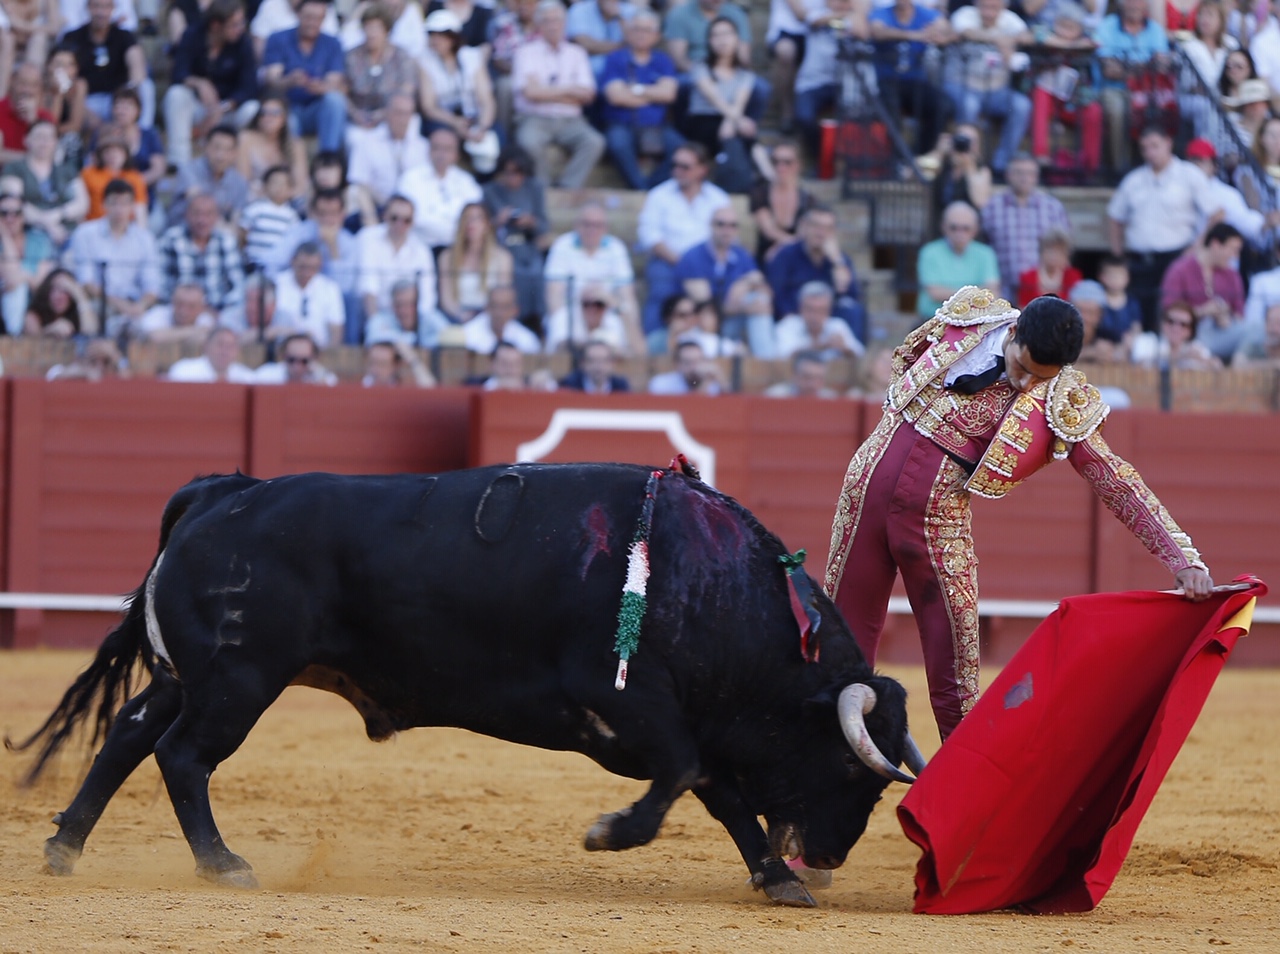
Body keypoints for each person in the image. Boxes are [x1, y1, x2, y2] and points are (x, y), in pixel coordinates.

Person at [824, 287, 1214, 741]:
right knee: (840, 651)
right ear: (1013, 331)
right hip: (864, 491)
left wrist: (1181, 557)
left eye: (1041, 378)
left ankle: (962, 794)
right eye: (1022, 368)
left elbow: (1115, 479)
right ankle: (818, 781)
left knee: (958, 675)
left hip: (936, 523)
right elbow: (906, 356)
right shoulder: (968, 317)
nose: (1027, 385)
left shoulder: (1061, 401)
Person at [1106, 125, 1217, 333]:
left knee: (1173, 311)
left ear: (1169, 143)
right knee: (1140, 312)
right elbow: (1115, 217)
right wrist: (1118, 254)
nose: (1150, 152)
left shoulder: (1189, 174)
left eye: (1155, 146)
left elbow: (1216, 214)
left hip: (1176, 256)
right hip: (1139, 260)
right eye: (1145, 148)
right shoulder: (1134, 180)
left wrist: (1197, 247)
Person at [637, 142, 730, 334]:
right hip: (668, 261)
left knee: (722, 296)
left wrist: (696, 266)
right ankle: (653, 347)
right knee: (661, 291)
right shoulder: (659, 195)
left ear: (702, 170)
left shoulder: (718, 198)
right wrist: (683, 264)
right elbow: (650, 236)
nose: (678, 171)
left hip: (707, 264)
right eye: (675, 165)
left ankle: (718, 348)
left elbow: (726, 234)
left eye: (685, 167)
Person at [512, 0, 606, 190]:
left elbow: (588, 95)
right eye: (546, 20)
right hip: (535, 117)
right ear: (539, 24)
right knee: (527, 141)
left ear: (564, 23)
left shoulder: (577, 53)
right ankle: (542, 189)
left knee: (595, 142)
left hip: (571, 120)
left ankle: (567, 188)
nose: (552, 25)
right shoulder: (525, 52)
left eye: (556, 20)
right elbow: (530, 93)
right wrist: (570, 90)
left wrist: (545, 91)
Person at [163, 0, 259, 167]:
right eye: (234, 24)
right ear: (216, 25)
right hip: (198, 110)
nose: (240, 28)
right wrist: (199, 83)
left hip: (228, 110)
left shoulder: (244, 42)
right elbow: (177, 73)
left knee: (252, 109)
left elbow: (250, 87)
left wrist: (223, 108)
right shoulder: (192, 35)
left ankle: (235, 160)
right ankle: (179, 162)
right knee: (176, 95)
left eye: (241, 22)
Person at [944, 0, 1033, 178]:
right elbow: (965, 32)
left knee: (1021, 105)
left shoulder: (1010, 19)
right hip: (963, 85)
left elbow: (1028, 37)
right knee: (970, 105)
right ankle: (968, 164)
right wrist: (998, 38)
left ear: (1003, 7)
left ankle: (1001, 164)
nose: (988, 13)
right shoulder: (965, 14)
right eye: (984, 7)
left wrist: (1011, 41)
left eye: (994, 7)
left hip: (996, 91)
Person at [675, 202, 774, 356]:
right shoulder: (692, 257)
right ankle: (767, 360)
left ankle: (767, 359)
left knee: (759, 300)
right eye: (721, 224)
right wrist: (741, 303)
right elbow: (707, 308)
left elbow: (764, 289)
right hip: (702, 327)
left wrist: (743, 284)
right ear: (711, 226)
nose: (727, 230)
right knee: (754, 306)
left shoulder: (742, 256)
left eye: (732, 225)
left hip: (734, 320)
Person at [600, 11, 682, 191]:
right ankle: (641, 188)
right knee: (617, 143)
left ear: (657, 36)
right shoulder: (616, 58)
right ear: (628, 33)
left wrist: (635, 89)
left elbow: (669, 95)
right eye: (636, 29)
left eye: (646, 30)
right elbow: (615, 96)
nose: (641, 34)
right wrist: (653, 95)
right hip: (621, 123)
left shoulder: (663, 60)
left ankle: (651, 187)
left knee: (680, 148)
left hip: (657, 125)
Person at [67, 177, 159, 336]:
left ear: (132, 206)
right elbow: (87, 283)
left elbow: (152, 285)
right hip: (99, 303)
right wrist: (121, 305)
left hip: (135, 305)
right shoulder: (86, 233)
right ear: (104, 205)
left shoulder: (145, 238)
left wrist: (140, 306)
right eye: (114, 203)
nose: (119, 209)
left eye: (125, 203)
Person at [544, 200, 639, 343]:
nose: (592, 230)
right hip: (572, 310)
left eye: (597, 225)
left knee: (619, 328)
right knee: (560, 323)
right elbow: (554, 296)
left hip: (606, 310)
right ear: (577, 225)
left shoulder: (616, 248)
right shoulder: (563, 245)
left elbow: (627, 296)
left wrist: (627, 317)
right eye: (587, 224)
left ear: (605, 228)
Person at [867, 0, 953, 157]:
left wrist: (938, 32)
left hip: (916, 81)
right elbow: (877, 31)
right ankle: (897, 160)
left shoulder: (923, 12)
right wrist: (914, 35)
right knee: (890, 110)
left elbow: (945, 28)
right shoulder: (882, 12)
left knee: (943, 105)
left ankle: (921, 155)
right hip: (886, 80)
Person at [980, 152, 1071, 300]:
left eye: (1029, 173)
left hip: (1041, 292)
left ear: (1036, 177)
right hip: (1002, 291)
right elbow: (982, 248)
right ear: (1008, 175)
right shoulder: (991, 207)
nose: (1024, 178)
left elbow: (1064, 251)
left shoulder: (1053, 207)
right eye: (1019, 173)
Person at [766, 205, 865, 341]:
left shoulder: (840, 259)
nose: (821, 233)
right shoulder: (786, 255)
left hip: (829, 320)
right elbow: (776, 293)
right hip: (794, 319)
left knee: (853, 310)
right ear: (804, 227)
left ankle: (853, 361)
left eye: (827, 228)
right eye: (816, 226)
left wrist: (836, 261)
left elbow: (849, 293)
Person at [261, 0, 347, 154]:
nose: (312, 23)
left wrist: (319, 87)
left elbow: (334, 81)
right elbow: (272, 79)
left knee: (335, 101)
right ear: (298, 14)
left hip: (316, 109)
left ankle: (328, 160)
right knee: (286, 116)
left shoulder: (333, 43)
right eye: (308, 17)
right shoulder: (278, 39)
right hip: (287, 106)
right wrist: (290, 80)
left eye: (318, 18)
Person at [418, 8, 498, 174]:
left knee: (496, 139)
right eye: (432, 35)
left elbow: (486, 100)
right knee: (443, 138)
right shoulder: (425, 61)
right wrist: (455, 123)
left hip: (473, 117)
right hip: (443, 119)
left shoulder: (472, 57)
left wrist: (482, 127)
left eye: (441, 35)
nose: (436, 40)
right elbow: (429, 106)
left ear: (453, 37)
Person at [1095, 0, 1171, 173]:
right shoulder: (1107, 25)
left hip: (1147, 87)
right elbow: (1109, 69)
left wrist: (1127, 68)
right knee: (1118, 109)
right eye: (1129, 0)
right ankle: (1121, 170)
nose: (1134, 4)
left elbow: (1163, 64)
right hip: (1115, 87)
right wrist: (1144, 67)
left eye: (1139, 1)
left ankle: (1157, 166)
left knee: (1163, 108)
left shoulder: (1154, 29)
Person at [1158, 222, 1247, 361]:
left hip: (1222, 336)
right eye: (1233, 250)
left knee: (1255, 331)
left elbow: (1240, 318)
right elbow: (1168, 314)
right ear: (1215, 244)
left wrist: (1224, 317)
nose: (1235, 256)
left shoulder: (1232, 275)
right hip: (1188, 337)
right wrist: (1202, 312)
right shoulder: (1179, 270)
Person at [482, 143, 551, 323]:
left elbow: (544, 225)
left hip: (529, 245)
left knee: (537, 272)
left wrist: (530, 221)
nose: (513, 177)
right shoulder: (490, 191)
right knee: (515, 273)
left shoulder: (534, 188)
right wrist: (498, 221)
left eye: (518, 172)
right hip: (501, 246)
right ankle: (515, 320)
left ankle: (537, 320)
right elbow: (481, 227)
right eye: (509, 172)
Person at [157, 191, 245, 326]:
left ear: (216, 217)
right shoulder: (171, 239)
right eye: (197, 213)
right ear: (186, 214)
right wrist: (185, 307)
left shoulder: (226, 241)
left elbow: (237, 285)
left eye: (208, 214)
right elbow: (159, 282)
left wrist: (218, 308)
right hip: (177, 311)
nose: (202, 220)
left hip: (218, 311)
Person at [356, 194, 438, 335]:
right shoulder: (369, 239)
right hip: (383, 314)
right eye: (395, 218)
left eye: (406, 220)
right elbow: (369, 291)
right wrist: (378, 323)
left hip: (414, 317)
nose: (400, 224)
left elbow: (427, 297)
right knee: (377, 329)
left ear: (413, 222)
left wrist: (414, 324)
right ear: (385, 216)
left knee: (445, 332)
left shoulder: (422, 249)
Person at [64, 0, 152, 130]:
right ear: (88, 7)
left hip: (118, 98)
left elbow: (136, 62)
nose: (101, 12)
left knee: (145, 86)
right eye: (96, 6)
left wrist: (130, 93)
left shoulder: (124, 36)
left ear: (113, 8)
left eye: (106, 7)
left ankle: (143, 133)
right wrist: (82, 108)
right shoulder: (73, 37)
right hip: (86, 100)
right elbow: (61, 73)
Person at [396, 126, 484, 252]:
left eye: (447, 149)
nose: (441, 154)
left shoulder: (467, 182)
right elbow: (410, 219)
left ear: (456, 154)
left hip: (458, 251)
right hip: (419, 248)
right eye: (437, 148)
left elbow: (475, 217)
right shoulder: (411, 178)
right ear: (429, 151)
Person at [1, 119, 88, 246]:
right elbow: (13, 203)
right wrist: (48, 224)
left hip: (66, 231)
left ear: (56, 142)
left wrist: (58, 215)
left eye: (49, 137)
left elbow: (82, 203)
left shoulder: (67, 170)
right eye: (39, 136)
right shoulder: (15, 168)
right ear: (26, 139)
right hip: (28, 233)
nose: (44, 142)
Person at [345, 3, 419, 149]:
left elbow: (407, 92)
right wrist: (355, 114)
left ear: (387, 31)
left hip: (391, 117)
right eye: (368, 28)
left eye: (376, 28)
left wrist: (383, 114)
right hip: (359, 118)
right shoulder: (352, 57)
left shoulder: (402, 57)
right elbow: (342, 91)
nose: (371, 33)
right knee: (355, 139)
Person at [684, 16, 757, 161]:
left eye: (727, 34)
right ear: (709, 41)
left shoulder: (745, 74)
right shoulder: (700, 67)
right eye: (716, 35)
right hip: (703, 120)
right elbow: (716, 99)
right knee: (739, 135)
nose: (721, 40)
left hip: (730, 119)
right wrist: (738, 121)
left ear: (737, 38)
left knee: (748, 139)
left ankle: (769, 176)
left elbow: (739, 103)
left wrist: (730, 122)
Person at [916, 201, 1002, 321]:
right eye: (954, 228)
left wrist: (949, 293)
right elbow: (934, 293)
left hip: (974, 321)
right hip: (934, 320)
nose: (959, 233)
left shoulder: (986, 254)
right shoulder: (929, 252)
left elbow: (993, 293)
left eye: (965, 228)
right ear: (943, 227)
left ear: (975, 229)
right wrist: (976, 294)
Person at [348, 92, 427, 213]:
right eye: (398, 113)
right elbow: (359, 182)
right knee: (353, 193)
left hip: (412, 212)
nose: (402, 119)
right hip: (376, 206)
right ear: (386, 113)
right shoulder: (367, 141)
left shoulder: (423, 146)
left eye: (407, 114)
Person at [437, 202, 514, 324]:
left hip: (491, 319)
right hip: (457, 318)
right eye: (467, 218)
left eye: (478, 218)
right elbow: (446, 299)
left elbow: (502, 296)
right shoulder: (446, 257)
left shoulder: (503, 257)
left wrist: (483, 318)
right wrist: (461, 316)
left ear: (487, 225)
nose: (471, 223)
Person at [167, 124, 250, 228]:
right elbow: (200, 206)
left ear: (235, 153)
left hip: (218, 236)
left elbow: (237, 218)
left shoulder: (239, 182)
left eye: (227, 149)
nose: (221, 156)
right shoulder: (188, 170)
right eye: (216, 147)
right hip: (183, 230)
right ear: (206, 146)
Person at [749, 139, 816, 263]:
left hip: (796, 260)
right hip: (766, 258)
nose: (780, 167)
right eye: (776, 162)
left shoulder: (807, 199)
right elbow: (768, 230)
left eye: (787, 162)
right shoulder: (760, 192)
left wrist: (781, 248)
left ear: (798, 165)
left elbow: (805, 233)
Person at [271, 240, 345, 348]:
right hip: (282, 351)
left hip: (319, 352)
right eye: (302, 267)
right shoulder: (276, 284)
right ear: (292, 261)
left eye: (312, 268)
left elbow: (336, 329)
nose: (306, 273)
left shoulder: (330, 288)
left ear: (320, 265)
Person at [235, 96, 309, 202]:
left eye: (275, 113)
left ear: (284, 118)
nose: (267, 117)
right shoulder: (245, 139)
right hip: (253, 197)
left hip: (287, 199)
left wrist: (280, 195)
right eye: (263, 112)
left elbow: (301, 185)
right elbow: (243, 180)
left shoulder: (295, 145)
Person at [0, 190, 54, 334]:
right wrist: (4, 234)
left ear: (23, 216)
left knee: (19, 287)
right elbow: (10, 276)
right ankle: (14, 335)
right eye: (4, 213)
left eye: (16, 213)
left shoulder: (38, 240)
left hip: (38, 303)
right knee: (16, 289)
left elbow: (41, 284)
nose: (10, 218)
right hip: (5, 309)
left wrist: (23, 277)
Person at [773, 280, 864, 359]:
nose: (815, 316)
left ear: (829, 311)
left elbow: (862, 356)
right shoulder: (788, 325)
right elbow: (781, 356)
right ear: (801, 308)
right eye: (810, 309)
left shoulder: (837, 325)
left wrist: (845, 349)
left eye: (821, 310)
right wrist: (821, 346)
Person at [79, 124, 147, 223]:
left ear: (125, 154)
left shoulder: (134, 177)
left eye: (118, 151)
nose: (113, 155)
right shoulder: (88, 174)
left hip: (125, 229)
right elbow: (81, 207)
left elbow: (140, 211)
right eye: (108, 151)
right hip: (93, 227)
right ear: (100, 154)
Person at [543, 282, 634, 355]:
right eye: (586, 304)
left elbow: (637, 351)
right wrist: (602, 347)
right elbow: (561, 347)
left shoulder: (613, 319)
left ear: (606, 306)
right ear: (579, 303)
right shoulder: (564, 316)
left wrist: (618, 307)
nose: (592, 309)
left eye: (599, 304)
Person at [239, 164, 302, 268]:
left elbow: (292, 240)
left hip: (279, 266)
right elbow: (242, 233)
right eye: (275, 183)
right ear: (265, 186)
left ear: (290, 190)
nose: (279, 188)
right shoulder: (255, 209)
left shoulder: (292, 216)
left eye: (283, 184)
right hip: (254, 263)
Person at [1131, 299, 1224, 368]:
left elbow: (1217, 368)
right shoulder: (1147, 341)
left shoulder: (1196, 347)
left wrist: (1208, 362)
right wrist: (1180, 357)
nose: (1175, 328)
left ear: (1190, 331)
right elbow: (1139, 366)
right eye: (1171, 321)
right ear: (1163, 323)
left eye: (1183, 324)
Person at [365, 278, 450, 347]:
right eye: (399, 305)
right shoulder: (384, 318)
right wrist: (409, 340)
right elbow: (372, 335)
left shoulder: (428, 316)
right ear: (392, 305)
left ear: (417, 304)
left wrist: (422, 340)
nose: (403, 311)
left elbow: (450, 335)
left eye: (408, 304)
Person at [0, 63, 55, 166]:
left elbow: (48, 158)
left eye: (33, 85)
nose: (27, 90)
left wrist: (33, 121)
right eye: (23, 84)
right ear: (12, 81)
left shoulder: (46, 118)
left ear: (40, 88)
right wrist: (32, 159)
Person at [462, 284, 542, 354]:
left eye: (505, 307)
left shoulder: (527, 340)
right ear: (486, 307)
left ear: (515, 310)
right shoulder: (467, 335)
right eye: (495, 306)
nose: (499, 313)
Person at [166, 325, 257, 382]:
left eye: (230, 346)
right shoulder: (184, 371)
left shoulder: (247, 377)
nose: (224, 351)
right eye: (220, 345)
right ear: (206, 347)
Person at [1016, 228, 1081, 306]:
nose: (1053, 256)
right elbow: (1023, 308)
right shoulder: (1027, 277)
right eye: (1050, 250)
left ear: (1066, 255)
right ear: (1042, 252)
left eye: (1059, 251)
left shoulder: (1073, 277)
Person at [25, 267, 95, 337]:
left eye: (65, 290)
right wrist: (49, 331)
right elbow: (31, 342)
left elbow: (90, 334)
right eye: (53, 289)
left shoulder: (78, 314)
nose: (58, 296)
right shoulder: (34, 314)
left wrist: (79, 296)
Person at [252, 330, 337, 383]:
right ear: (283, 357)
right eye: (291, 360)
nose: (297, 366)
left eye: (304, 361)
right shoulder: (266, 376)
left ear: (313, 359)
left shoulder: (324, 378)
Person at [648, 337, 724, 394]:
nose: (694, 367)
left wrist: (719, 378)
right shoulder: (661, 384)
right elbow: (690, 406)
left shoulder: (713, 385)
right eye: (688, 363)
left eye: (698, 361)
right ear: (677, 364)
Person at [558, 336, 631, 393]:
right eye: (592, 361)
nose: (598, 367)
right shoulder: (571, 385)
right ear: (583, 363)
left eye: (603, 361)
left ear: (612, 363)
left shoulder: (621, 387)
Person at [764, 348, 838, 398]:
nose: (813, 384)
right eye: (807, 377)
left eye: (819, 378)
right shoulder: (775, 397)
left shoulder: (830, 399)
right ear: (794, 375)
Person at [361, 338, 436, 387]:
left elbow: (430, 389)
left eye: (382, 364)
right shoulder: (363, 385)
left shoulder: (401, 386)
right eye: (372, 363)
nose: (375, 370)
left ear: (395, 366)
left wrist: (414, 361)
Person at [1232, 299, 1280, 367]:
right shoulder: (1255, 344)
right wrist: (1273, 364)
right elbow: (1237, 364)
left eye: (1278, 323)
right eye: (1270, 322)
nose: (1273, 329)